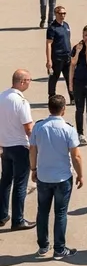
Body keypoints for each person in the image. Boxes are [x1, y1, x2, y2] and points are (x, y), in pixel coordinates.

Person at [30, 94, 83, 259]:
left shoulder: (39, 127)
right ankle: (59, 248)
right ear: (64, 109)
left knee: (42, 212)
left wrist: (33, 169)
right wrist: (80, 174)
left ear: (49, 108)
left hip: (44, 176)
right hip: (62, 178)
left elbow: (33, 149)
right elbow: (76, 156)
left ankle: (43, 246)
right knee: (60, 213)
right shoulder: (68, 129)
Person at [0, 70, 35, 230]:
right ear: (21, 82)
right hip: (20, 147)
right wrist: (36, 145)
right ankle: (18, 220)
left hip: (5, 146)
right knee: (20, 184)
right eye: (29, 80)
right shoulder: (21, 102)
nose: (30, 82)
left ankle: (2, 214)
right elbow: (28, 127)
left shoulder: (2, 97)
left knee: (5, 181)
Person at [47, 4, 73, 103]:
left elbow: (68, 40)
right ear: (56, 14)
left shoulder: (66, 25)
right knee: (54, 78)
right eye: (61, 13)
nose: (63, 15)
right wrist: (49, 60)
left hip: (67, 57)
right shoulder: (52, 28)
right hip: (57, 58)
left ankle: (72, 97)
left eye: (64, 13)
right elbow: (48, 44)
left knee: (69, 78)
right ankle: (51, 96)